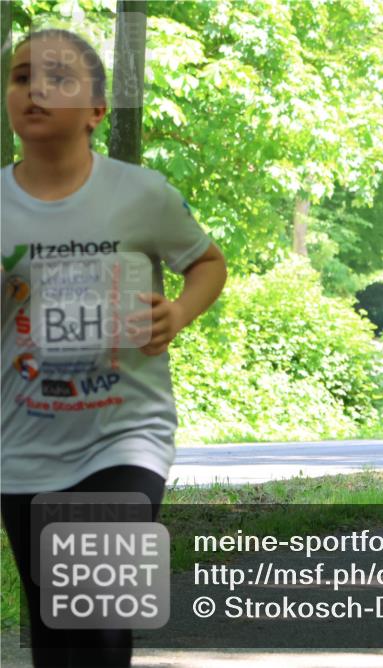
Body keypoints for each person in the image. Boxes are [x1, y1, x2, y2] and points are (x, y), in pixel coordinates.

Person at [1, 30, 227, 666]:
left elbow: (207, 263)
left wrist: (177, 312)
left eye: (58, 78)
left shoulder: (140, 193)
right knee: (56, 627)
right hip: (24, 441)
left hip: (127, 434)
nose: (36, 89)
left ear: (97, 110)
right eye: (22, 76)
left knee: (98, 609)